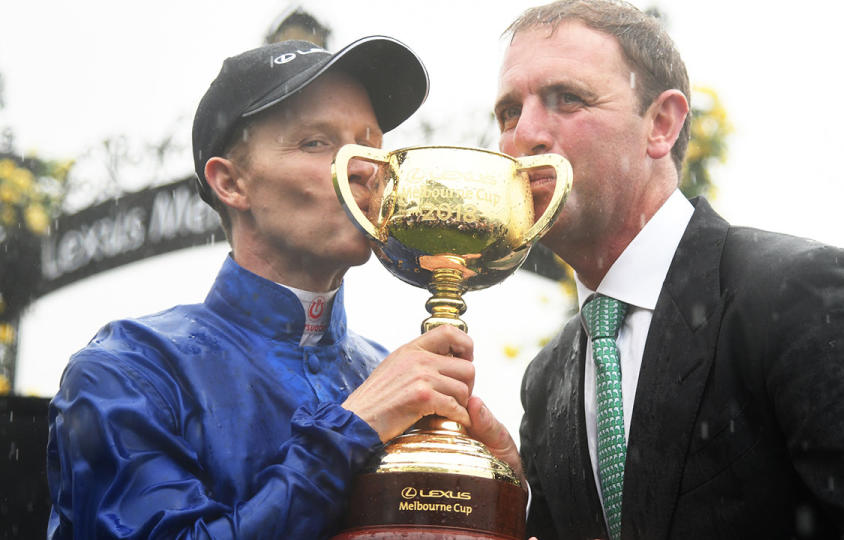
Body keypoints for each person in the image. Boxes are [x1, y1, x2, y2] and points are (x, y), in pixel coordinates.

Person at [494, 1, 844, 538]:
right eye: (508, 111)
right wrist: (502, 503)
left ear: (662, 124)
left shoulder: (809, 293)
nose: (522, 135)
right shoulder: (546, 380)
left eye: (567, 99)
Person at [46, 36, 520, 539]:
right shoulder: (128, 370)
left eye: (370, 145)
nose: (363, 167)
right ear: (231, 183)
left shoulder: (391, 377)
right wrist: (347, 432)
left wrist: (508, 497)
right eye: (317, 143)